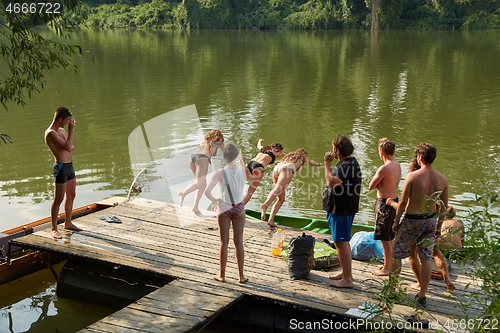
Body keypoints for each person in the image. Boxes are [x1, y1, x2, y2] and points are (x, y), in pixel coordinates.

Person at [391, 142, 449, 308]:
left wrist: (396, 221)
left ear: (420, 158)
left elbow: (402, 203)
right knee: (426, 258)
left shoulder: (412, 176)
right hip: (430, 221)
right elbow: (443, 208)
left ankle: (393, 290)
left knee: (397, 254)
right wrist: (438, 227)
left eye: (417, 156)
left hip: (412, 220)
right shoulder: (442, 179)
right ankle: (422, 295)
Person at [204, 143, 248, 283]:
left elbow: (207, 192)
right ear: (236, 156)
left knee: (224, 242)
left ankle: (222, 275)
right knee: (239, 242)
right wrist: (242, 164)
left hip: (224, 208)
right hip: (239, 209)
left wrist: (215, 200)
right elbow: (242, 181)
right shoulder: (243, 170)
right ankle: (241, 276)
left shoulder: (220, 173)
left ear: (224, 157)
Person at [324, 135, 362, 289]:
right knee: (342, 241)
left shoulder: (347, 166)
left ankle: (347, 279)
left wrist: (327, 163)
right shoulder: (347, 163)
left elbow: (331, 182)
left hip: (342, 210)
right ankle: (345, 272)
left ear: (336, 150)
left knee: (340, 242)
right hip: (340, 208)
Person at [44, 107, 83, 239]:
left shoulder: (61, 130)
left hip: (69, 166)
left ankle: (68, 223)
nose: (68, 123)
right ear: (60, 119)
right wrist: (72, 130)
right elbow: (67, 146)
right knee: (58, 199)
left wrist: (68, 144)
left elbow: (69, 146)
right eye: (66, 120)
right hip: (60, 167)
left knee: (71, 195)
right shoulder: (50, 133)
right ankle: (54, 229)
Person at [260, 148, 321, 228]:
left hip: (277, 169)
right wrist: (319, 164)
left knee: (281, 198)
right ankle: (265, 204)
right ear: (304, 154)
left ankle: (271, 220)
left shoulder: (289, 155)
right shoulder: (303, 156)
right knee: (278, 189)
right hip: (287, 169)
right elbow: (311, 163)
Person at [368, 138, 401, 276]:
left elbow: (371, 186)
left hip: (384, 205)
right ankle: (391, 264)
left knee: (385, 238)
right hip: (393, 200)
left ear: (382, 151)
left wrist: (379, 184)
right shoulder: (397, 165)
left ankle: (387, 267)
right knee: (390, 236)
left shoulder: (384, 168)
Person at [178, 129, 225, 214]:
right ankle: (183, 193)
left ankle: (195, 207)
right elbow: (225, 149)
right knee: (200, 183)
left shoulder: (204, 140)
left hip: (192, 158)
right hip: (202, 159)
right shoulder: (216, 142)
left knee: (202, 184)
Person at [243, 139, 286, 205]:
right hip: (258, 167)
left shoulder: (264, 148)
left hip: (250, 163)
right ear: (278, 149)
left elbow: (258, 146)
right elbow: (289, 156)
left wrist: (260, 141)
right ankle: (237, 210)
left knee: (239, 182)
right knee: (250, 192)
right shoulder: (279, 152)